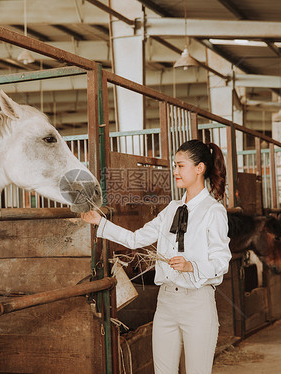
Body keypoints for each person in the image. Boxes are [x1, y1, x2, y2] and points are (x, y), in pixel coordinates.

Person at [81, 139, 231, 374]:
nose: (175, 171)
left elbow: (222, 261)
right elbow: (135, 239)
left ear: (199, 168)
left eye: (181, 166)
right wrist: (100, 222)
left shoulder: (214, 211)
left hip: (197, 303)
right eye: (174, 165)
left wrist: (192, 265)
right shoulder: (171, 209)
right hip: (167, 302)